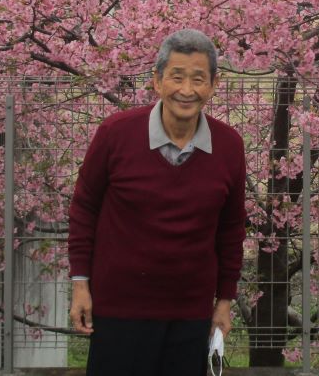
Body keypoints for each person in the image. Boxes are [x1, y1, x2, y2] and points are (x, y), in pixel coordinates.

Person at [68, 29, 247, 376]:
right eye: (176, 77)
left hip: (190, 312)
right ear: (157, 81)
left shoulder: (229, 146)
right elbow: (84, 208)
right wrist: (80, 284)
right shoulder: (115, 133)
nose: (187, 90)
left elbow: (231, 227)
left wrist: (224, 301)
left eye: (198, 79)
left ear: (213, 85)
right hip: (119, 307)